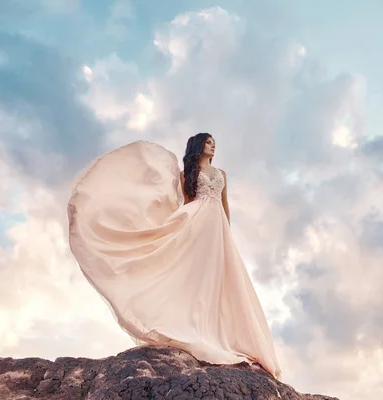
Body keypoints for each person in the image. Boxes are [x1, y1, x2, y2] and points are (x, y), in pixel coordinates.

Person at [67, 133, 282, 380]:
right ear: (198, 146)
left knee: (221, 280)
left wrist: (228, 235)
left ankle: (219, 333)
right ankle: (192, 327)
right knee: (195, 275)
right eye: (208, 141)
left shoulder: (221, 174)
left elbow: (224, 206)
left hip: (217, 229)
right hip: (195, 223)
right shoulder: (185, 175)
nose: (213, 145)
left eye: (214, 142)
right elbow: (188, 201)